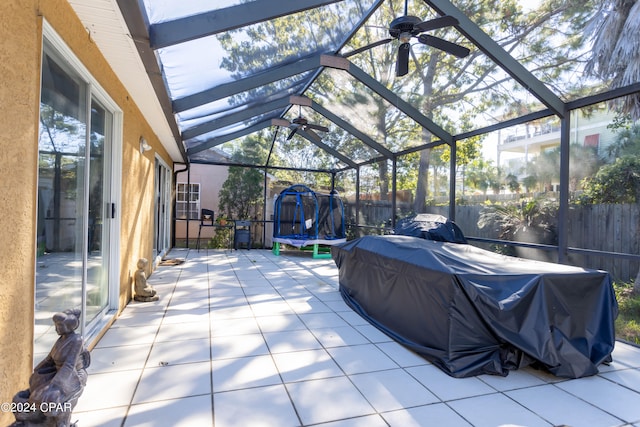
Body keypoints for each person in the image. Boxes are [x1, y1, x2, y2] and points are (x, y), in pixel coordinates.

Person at [11, 308, 90, 427]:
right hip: (57, 374)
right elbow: (49, 359)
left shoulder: (77, 340)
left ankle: (60, 422)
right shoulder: (60, 340)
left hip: (71, 377)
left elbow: (69, 365)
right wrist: (37, 372)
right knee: (35, 388)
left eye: (59, 326)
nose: (56, 329)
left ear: (68, 326)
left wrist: (54, 385)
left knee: (50, 396)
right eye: (56, 326)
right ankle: (34, 420)